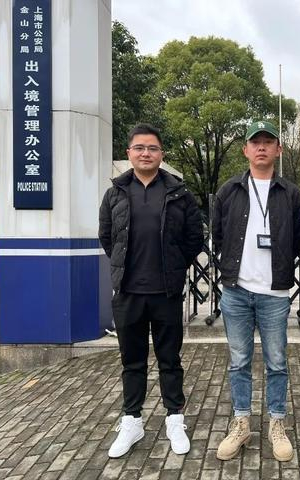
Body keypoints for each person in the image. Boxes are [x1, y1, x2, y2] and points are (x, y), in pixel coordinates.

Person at [98, 123, 204, 458]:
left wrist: (175, 265)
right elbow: (107, 236)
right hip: (128, 292)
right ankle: (132, 420)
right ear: (129, 153)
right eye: (140, 148)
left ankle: (174, 418)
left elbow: (194, 238)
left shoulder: (179, 193)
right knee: (132, 361)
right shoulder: (115, 193)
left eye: (152, 148)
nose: (146, 153)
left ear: (161, 154)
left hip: (166, 292)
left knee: (170, 360)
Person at [212, 120, 300, 462]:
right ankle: (241, 423)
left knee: (276, 362)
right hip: (236, 291)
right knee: (239, 361)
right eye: (255, 142)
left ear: (278, 149)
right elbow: (219, 235)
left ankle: (277, 423)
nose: (262, 147)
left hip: (274, 294)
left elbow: (297, 239)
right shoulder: (229, 190)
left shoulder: (291, 193)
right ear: (246, 150)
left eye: (268, 141)